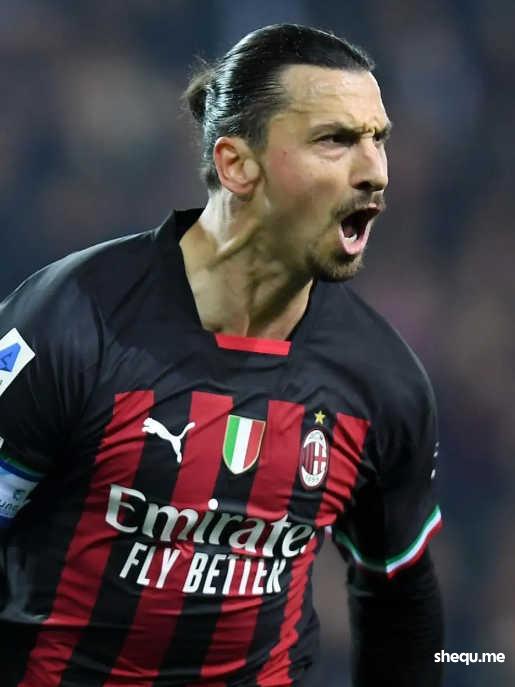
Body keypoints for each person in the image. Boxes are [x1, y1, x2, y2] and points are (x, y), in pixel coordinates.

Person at [0, 23, 444, 687]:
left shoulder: (382, 381)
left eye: (377, 139)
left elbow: (400, 596)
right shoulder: (69, 322)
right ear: (237, 164)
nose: (374, 171)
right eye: (334, 139)